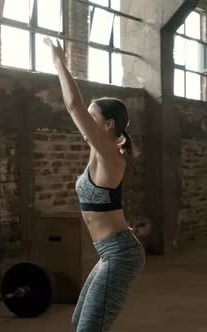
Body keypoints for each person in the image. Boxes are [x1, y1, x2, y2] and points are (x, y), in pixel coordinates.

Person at [44, 37, 145, 332]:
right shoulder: (100, 153)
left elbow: (73, 104)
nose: (84, 122)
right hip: (109, 253)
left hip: (119, 254)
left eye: (92, 118)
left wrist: (58, 62)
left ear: (108, 125)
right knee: (80, 322)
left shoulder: (110, 156)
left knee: (89, 328)